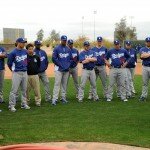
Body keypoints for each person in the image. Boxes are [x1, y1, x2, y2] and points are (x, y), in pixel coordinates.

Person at [7, 37, 30, 112]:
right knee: (14, 90)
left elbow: (27, 60)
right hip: (16, 73)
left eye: (24, 42)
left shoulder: (25, 51)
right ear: (18, 43)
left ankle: (24, 104)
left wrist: (25, 67)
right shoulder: (13, 52)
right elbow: (9, 63)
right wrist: (13, 70)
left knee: (24, 89)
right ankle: (11, 105)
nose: (24, 44)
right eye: (22, 42)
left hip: (24, 72)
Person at [52, 35, 72, 105]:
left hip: (66, 70)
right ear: (61, 40)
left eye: (65, 40)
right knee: (57, 84)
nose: (64, 41)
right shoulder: (57, 48)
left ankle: (63, 98)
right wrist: (61, 65)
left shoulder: (68, 49)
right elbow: (54, 59)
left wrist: (68, 66)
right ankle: (54, 99)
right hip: (59, 69)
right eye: (63, 40)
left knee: (64, 85)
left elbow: (70, 59)